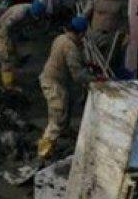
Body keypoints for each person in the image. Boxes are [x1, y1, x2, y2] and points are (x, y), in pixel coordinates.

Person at [37, 16, 95, 160]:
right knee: (57, 117)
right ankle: (43, 153)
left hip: (52, 79)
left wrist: (86, 65)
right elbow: (78, 74)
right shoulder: (71, 47)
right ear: (81, 33)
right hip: (54, 84)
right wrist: (94, 79)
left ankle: (63, 134)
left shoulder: (61, 38)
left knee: (65, 110)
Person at [0, 0, 47, 89]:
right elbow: (5, 27)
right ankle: (8, 85)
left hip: (12, 31)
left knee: (13, 52)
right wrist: (5, 44)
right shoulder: (20, 13)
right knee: (6, 57)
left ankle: (14, 71)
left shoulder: (32, 9)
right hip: (1, 30)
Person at [83, 0, 128, 70]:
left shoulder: (121, 0)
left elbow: (124, 18)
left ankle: (108, 79)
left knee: (111, 61)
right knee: (94, 59)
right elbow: (85, 15)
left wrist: (126, 34)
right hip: (96, 33)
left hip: (113, 36)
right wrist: (81, 30)